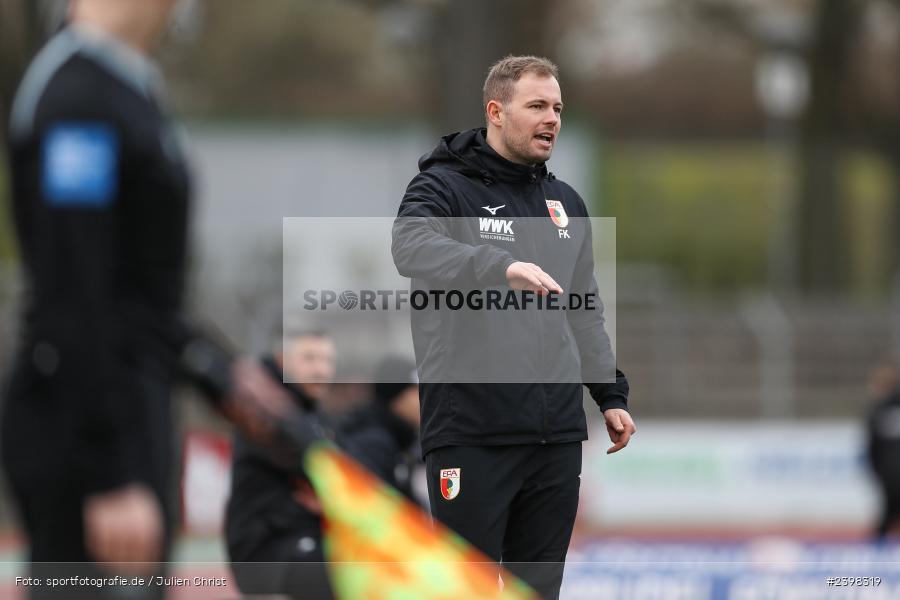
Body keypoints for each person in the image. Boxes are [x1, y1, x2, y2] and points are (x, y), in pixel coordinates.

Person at [1, 2, 296, 598]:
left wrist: (221, 374)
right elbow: (73, 292)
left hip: (133, 411)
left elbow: (139, 292)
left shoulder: (125, 84)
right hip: (86, 434)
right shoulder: (77, 99)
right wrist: (110, 473)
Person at [392, 55, 635, 599]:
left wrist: (608, 392)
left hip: (554, 438)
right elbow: (408, 246)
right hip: (472, 433)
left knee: (538, 589)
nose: (551, 118)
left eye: (557, 108)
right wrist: (496, 265)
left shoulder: (565, 203)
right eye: (537, 106)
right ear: (496, 112)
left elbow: (583, 308)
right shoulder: (444, 187)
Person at [225, 330, 339, 600]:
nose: (321, 369)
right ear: (282, 361)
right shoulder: (263, 409)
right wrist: (334, 497)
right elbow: (325, 470)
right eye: (310, 359)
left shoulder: (315, 416)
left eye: (327, 360)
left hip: (301, 539)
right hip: (266, 552)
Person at [340, 356, 422, 504]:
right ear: (397, 397)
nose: (425, 400)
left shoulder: (399, 439)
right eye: (417, 391)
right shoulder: (372, 444)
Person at [866, 362, 900, 540]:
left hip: (888, 475)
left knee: (886, 518)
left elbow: (871, 448)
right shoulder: (877, 411)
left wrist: (878, 473)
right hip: (889, 474)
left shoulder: (877, 410)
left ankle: (876, 556)